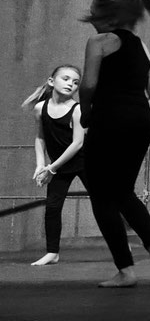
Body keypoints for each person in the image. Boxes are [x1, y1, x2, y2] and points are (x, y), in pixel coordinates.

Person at [79, 0, 150, 288]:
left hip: (108, 118)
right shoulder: (140, 45)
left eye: (94, 17)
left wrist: (86, 113)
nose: (92, 23)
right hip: (140, 121)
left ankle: (125, 270)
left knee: (101, 195)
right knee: (122, 191)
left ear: (107, 17)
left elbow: (88, 84)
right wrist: (132, 114)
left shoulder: (99, 41)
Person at [22, 65, 87, 266]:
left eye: (75, 82)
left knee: (104, 203)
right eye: (65, 79)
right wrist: (40, 164)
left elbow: (78, 143)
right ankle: (52, 252)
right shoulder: (40, 108)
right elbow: (40, 137)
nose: (70, 84)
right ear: (52, 81)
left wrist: (51, 168)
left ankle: (121, 243)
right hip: (59, 165)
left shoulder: (78, 110)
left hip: (84, 162)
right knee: (52, 207)